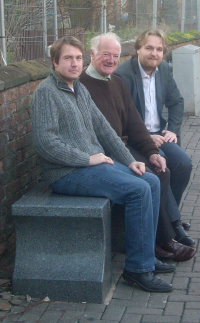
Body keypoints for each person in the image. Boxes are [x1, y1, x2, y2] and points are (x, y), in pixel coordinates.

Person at [31, 36, 174, 293]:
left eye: (77, 58)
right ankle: (138, 270)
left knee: (150, 180)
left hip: (92, 166)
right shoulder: (46, 94)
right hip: (66, 172)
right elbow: (45, 144)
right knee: (138, 190)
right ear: (55, 62)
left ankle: (145, 255)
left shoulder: (78, 89)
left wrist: (131, 161)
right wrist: (87, 159)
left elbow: (105, 130)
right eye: (67, 58)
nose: (74, 64)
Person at [80, 33, 195, 262]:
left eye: (115, 55)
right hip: (107, 152)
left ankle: (163, 233)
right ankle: (162, 240)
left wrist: (152, 152)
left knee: (170, 166)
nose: (111, 60)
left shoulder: (115, 81)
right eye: (106, 55)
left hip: (132, 143)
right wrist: (142, 151)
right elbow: (105, 135)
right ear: (91, 54)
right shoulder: (85, 85)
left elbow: (133, 121)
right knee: (152, 176)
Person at [114, 30, 193, 248]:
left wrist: (173, 130)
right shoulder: (123, 76)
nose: (154, 53)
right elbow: (121, 117)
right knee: (161, 171)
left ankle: (167, 217)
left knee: (184, 164)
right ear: (137, 49)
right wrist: (146, 137)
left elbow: (177, 101)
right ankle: (173, 226)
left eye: (159, 49)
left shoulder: (164, 70)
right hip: (137, 141)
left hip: (161, 134)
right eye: (149, 48)